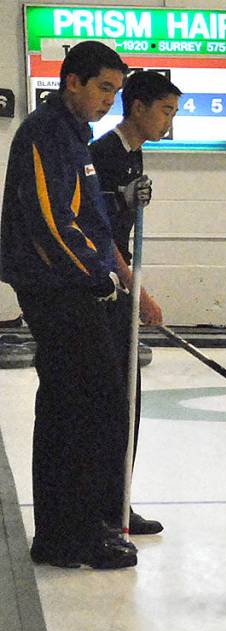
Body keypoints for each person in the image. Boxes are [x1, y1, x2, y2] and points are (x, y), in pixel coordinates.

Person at [0, 41, 136, 569]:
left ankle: (74, 529)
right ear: (72, 81)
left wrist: (108, 269)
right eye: (103, 87)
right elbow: (48, 219)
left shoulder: (76, 138)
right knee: (84, 403)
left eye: (116, 91)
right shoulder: (45, 132)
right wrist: (95, 272)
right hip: (56, 289)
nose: (109, 100)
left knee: (80, 405)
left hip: (77, 287)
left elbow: (87, 219)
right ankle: (67, 535)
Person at [90, 69, 181, 536]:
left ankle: (119, 502)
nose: (169, 121)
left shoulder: (136, 156)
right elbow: (102, 236)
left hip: (120, 285)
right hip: (104, 289)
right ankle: (103, 510)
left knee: (131, 398)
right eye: (165, 111)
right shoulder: (104, 155)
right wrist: (137, 290)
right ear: (139, 106)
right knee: (113, 399)